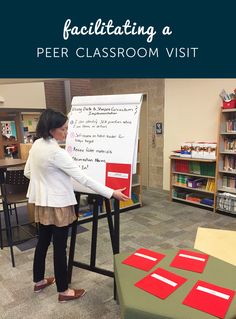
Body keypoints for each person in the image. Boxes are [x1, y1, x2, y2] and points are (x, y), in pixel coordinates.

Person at [24, 109, 129, 303]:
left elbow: (28, 172)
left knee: (43, 241)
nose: (66, 132)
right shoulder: (57, 153)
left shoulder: (37, 144)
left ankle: (38, 281)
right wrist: (111, 192)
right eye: (63, 129)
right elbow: (83, 178)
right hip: (59, 205)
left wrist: (47, 182)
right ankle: (63, 291)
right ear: (52, 129)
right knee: (60, 247)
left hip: (42, 203)